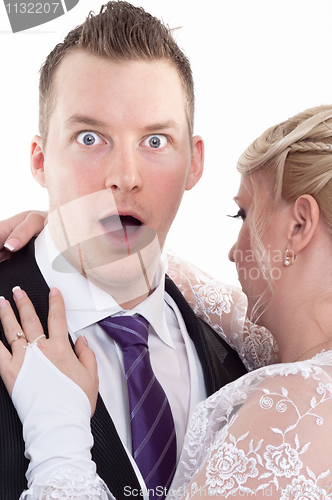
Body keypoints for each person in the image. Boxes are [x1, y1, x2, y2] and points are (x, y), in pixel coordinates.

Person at [0, 2, 252, 499]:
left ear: (193, 164)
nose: (125, 177)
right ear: (40, 159)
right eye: (90, 137)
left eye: (155, 140)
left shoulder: (246, 365)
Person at [165, 104, 332, 498]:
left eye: (243, 214)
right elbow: (219, 303)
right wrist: (68, 236)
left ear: (299, 225)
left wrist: (58, 435)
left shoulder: (291, 409)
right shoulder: (297, 360)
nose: (233, 252)